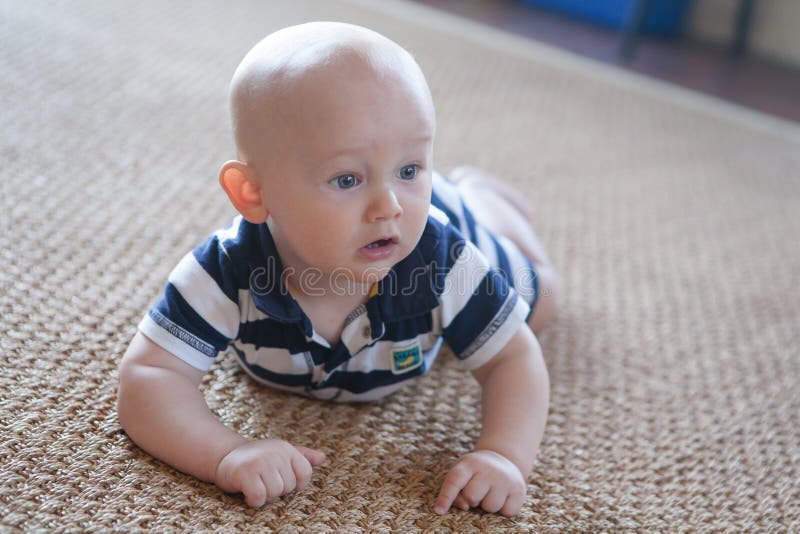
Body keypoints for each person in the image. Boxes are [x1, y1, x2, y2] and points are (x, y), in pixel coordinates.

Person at [116, 21, 559, 518]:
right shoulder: (225, 270)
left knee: (540, 299)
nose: (388, 204)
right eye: (347, 178)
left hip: (458, 221)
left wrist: (504, 456)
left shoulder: (445, 260)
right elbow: (149, 376)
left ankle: (485, 199)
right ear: (253, 193)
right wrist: (226, 453)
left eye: (411, 169)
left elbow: (513, 359)